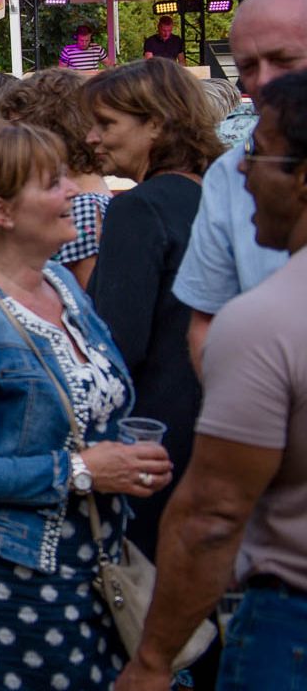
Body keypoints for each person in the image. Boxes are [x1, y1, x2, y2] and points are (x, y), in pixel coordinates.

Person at [0, 121, 173, 691]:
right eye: (53, 182)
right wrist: (81, 471)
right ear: (2, 211)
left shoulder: (61, 284)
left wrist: (124, 457)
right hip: (12, 583)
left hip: (91, 565)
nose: (73, 191)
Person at [115, 71, 307, 691]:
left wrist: (152, 659)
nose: (240, 169)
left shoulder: (266, 320)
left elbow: (213, 515)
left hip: (287, 616)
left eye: (259, 153)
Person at [84, 60, 223, 563]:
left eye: (106, 124)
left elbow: (117, 342)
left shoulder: (139, 208)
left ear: (157, 124)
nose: (93, 138)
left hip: (150, 438)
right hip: (219, 425)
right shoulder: (216, 195)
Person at [174, 0, 307, 367]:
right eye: (247, 66)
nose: (263, 80)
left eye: (283, 60)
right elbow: (205, 323)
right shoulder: (231, 174)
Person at [0, 69, 112, 287]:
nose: (14, 141)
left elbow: (84, 298)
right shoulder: (88, 197)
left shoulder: (79, 209)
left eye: (19, 129)